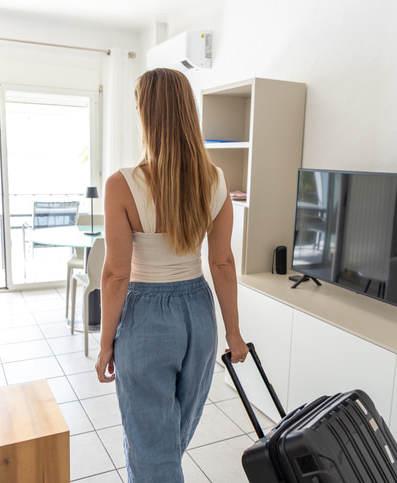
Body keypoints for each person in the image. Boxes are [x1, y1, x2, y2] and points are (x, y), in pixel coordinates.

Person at [94, 68, 249, 482]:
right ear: (188, 112)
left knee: (151, 444)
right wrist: (233, 332)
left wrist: (106, 342)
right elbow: (222, 263)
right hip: (198, 314)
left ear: (145, 113)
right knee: (168, 438)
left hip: (146, 317)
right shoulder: (215, 180)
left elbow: (115, 275)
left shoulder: (121, 185)